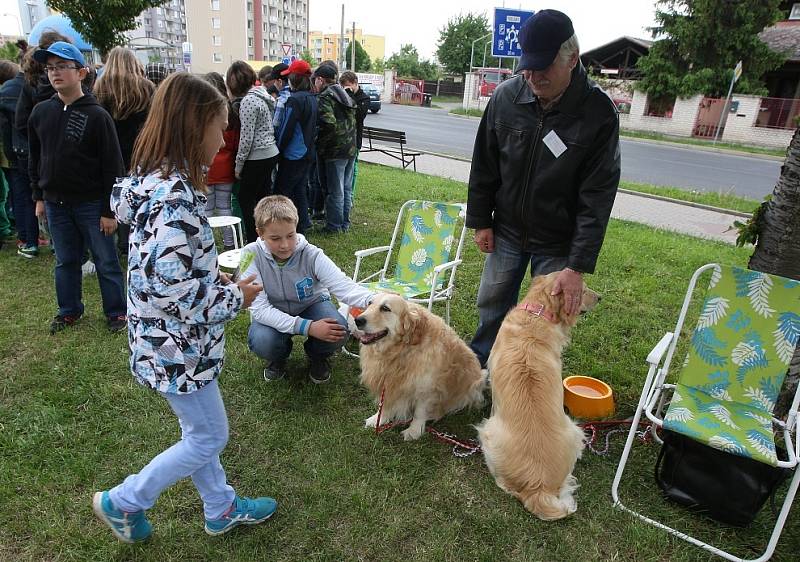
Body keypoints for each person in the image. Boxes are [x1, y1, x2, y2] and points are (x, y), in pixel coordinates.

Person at [96, 72, 274, 544]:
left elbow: (168, 269)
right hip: (178, 349)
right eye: (219, 126)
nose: (223, 139)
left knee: (199, 429)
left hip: (168, 344)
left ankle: (220, 507)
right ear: (196, 126)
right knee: (209, 436)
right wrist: (236, 296)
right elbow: (167, 289)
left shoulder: (158, 183)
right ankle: (126, 499)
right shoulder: (175, 200)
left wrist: (210, 272)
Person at [466, 9, 620, 367]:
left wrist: (576, 265)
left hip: (557, 239)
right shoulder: (505, 97)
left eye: (543, 68)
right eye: (527, 66)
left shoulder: (598, 113)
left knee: (547, 315)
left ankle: (528, 375)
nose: (532, 76)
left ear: (572, 60)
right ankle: (485, 367)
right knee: (491, 301)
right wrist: (481, 221)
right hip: (505, 229)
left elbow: (597, 197)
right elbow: (484, 165)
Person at [27, 41, 128, 334]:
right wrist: (38, 196)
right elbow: (36, 158)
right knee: (66, 259)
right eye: (49, 68)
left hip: (90, 203)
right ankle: (69, 309)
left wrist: (109, 211)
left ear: (82, 72)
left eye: (62, 66)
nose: (55, 73)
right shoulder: (41, 113)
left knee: (105, 259)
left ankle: (116, 312)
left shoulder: (98, 115)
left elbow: (113, 166)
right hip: (55, 202)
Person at [244, 195, 375, 384]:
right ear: (260, 233)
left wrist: (376, 299)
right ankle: (278, 358)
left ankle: (317, 356)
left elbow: (344, 286)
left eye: (290, 235)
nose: (285, 244)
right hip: (272, 309)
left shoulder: (312, 254)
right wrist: (309, 327)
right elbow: (260, 309)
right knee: (263, 341)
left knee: (337, 329)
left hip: (311, 304)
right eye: (275, 238)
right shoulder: (249, 255)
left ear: (296, 228)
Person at [93, 47, 155, 256]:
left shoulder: (100, 87)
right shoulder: (145, 88)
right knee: (137, 196)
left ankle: (115, 240)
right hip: (139, 150)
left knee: (112, 192)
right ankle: (132, 240)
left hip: (108, 149)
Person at [229, 60, 279, 243]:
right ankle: (267, 236)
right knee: (262, 199)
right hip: (270, 153)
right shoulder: (261, 94)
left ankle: (254, 239)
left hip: (257, 156)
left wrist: (238, 166)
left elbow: (246, 137)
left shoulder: (248, 101)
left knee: (246, 199)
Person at [273, 59, 317, 234]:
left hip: (293, 154)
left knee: (281, 191)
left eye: (289, 77)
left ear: (294, 79)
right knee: (299, 189)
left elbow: (286, 129)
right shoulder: (312, 98)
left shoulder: (294, 100)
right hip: (307, 152)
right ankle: (303, 224)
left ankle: (284, 226)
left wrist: (278, 149)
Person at [0, 54, 38, 258]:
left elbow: (5, 127)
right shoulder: (37, 87)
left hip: (17, 150)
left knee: (22, 196)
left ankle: (28, 240)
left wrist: (9, 153)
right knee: (42, 195)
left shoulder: (5, 91)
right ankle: (47, 241)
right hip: (35, 149)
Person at [313, 64, 357, 233]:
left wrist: (317, 138)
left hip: (334, 150)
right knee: (345, 188)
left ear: (320, 79)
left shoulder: (325, 96)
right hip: (350, 148)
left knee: (335, 191)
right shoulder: (343, 93)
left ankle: (334, 226)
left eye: (315, 80)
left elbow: (328, 123)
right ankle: (344, 223)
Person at [202, 71, 239, 251]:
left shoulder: (202, 112)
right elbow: (233, 142)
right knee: (225, 207)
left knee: (207, 207)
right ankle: (229, 243)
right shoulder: (230, 111)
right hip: (226, 167)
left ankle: (206, 243)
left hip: (207, 167)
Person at [339, 71, 369, 205]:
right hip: (342, 140)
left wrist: (350, 95)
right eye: (344, 87)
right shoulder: (341, 95)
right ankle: (345, 196)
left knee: (353, 169)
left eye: (349, 86)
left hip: (355, 139)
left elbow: (358, 115)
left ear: (355, 83)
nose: (346, 89)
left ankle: (350, 196)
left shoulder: (364, 98)